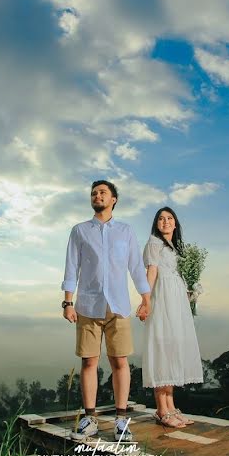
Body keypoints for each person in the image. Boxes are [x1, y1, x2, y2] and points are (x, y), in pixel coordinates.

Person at [61, 180, 151, 440]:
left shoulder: (125, 231)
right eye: (93, 193)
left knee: (119, 361)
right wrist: (68, 302)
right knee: (89, 361)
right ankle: (89, 418)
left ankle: (122, 420)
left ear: (114, 199)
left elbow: (135, 266)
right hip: (88, 305)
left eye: (102, 192)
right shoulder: (79, 231)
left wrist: (146, 299)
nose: (97, 195)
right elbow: (71, 267)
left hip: (119, 306)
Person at [138, 206, 204, 428]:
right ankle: (161, 409)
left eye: (169, 218)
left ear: (175, 224)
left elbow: (178, 275)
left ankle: (171, 406)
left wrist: (190, 291)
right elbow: (152, 273)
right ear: (156, 224)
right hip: (162, 299)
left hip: (176, 301)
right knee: (163, 349)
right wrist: (145, 301)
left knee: (174, 349)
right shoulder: (154, 243)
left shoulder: (177, 248)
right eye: (161, 219)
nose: (165, 221)